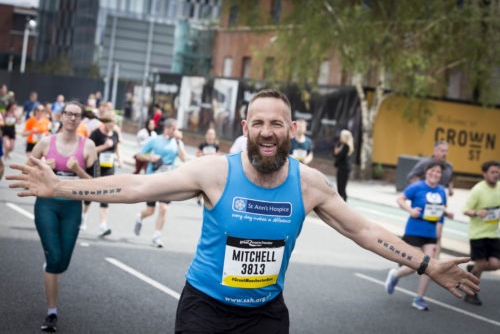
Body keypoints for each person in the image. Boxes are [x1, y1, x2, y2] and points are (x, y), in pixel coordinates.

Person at [8, 89, 479, 333]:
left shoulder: (309, 184)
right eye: (259, 123)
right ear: (246, 127)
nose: (268, 131)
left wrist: (427, 264)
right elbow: (138, 185)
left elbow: (363, 229)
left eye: (278, 123)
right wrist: (60, 187)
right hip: (204, 312)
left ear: (291, 129)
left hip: (265, 316)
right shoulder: (215, 172)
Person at [28, 101, 97, 332]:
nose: (72, 118)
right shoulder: (46, 142)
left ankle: (52, 265)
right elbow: (28, 170)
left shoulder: (88, 146)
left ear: (81, 120)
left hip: (72, 208)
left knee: (62, 262)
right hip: (47, 206)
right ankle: (52, 312)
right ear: (62, 116)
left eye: (77, 115)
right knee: (54, 258)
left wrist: (77, 170)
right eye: (68, 113)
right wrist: (41, 169)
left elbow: (96, 184)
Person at [385, 161, 454, 311]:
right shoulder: (417, 186)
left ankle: (419, 298)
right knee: (414, 265)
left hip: (431, 233)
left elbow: (439, 211)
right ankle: (396, 275)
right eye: (432, 171)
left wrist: (444, 218)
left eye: (438, 172)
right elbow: (400, 199)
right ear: (426, 172)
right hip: (415, 230)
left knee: (429, 267)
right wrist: (410, 210)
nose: (435, 174)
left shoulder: (441, 191)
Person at [133, 118, 187, 247]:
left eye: (177, 129)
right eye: (174, 129)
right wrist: (151, 158)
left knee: (163, 208)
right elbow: (139, 155)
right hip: (153, 178)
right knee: (150, 210)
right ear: (166, 128)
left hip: (168, 180)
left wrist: (179, 141)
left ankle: (156, 236)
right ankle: (140, 216)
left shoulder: (177, 142)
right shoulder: (155, 140)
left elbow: (184, 158)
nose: (176, 132)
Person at [462, 160, 500, 306]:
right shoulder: (478, 190)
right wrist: (478, 212)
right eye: (493, 172)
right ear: (484, 174)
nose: (496, 175)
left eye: (498, 172)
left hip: (494, 234)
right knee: (481, 263)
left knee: (496, 264)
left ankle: (474, 269)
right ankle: (470, 293)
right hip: (478, 234)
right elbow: (466, 209)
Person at [81, 109, 122, 235]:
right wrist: (103, 147)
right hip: (95, 165)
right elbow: (88, 150)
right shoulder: (96, 134)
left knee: (106, 195)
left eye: (114, 123)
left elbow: (116, 147)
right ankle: (83, 218)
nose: (112, 125)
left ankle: (103, 225)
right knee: (90, 195)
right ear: (105, 122)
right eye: (110, 123)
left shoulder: (114, 133)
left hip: (109, 167)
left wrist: (120, 160)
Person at [333, 129, 354, 201]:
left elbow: (340, 156)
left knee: (342, 186)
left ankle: (343, 200)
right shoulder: (341, 144)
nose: (340, 137)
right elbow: (335, 154)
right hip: (341, 167)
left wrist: (337, 152)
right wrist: (336, 152)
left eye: (342, 136)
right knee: (340, 185)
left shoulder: (347, 146)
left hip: (344, 168)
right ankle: (342, 200)